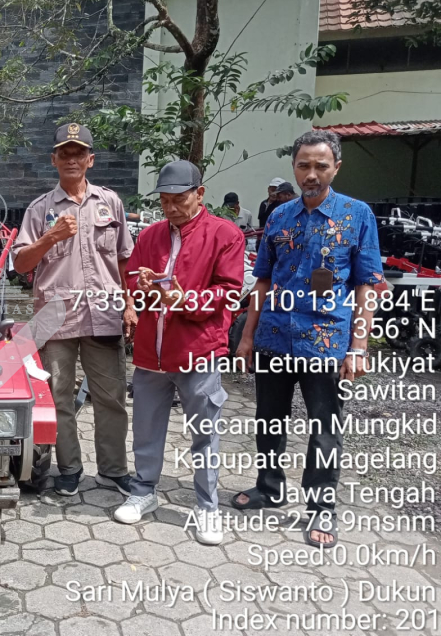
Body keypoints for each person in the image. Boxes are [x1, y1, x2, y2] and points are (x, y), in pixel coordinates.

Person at [232, 130, 383, 548]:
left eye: (320, 165)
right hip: (275, 337)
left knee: (325, 428)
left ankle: (320, 508)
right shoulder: (279, 216)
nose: (311, 174)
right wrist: (247, 337)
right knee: (269, 419)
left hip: (326, 342)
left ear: (336, 167)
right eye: (304, 165)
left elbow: (367, 285)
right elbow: (263, 280)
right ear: (294, 167)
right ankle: (269, 487)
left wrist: (358, 347)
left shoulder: (357, 215)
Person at [115, 160, 244, 545]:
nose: (171, 208)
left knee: (204, 432)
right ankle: (143, 491)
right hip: (151, 353)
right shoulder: (150, 235)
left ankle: (207, 506)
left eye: (179, 199)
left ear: (199, 194)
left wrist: (186, 299)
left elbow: (229, 292)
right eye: (165, 201)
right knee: (146, 426)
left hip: (197, 350)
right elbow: (133, 279)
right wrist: (141, 288)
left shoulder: (225, 234)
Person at [12, 123, 135, 497]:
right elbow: (20, 264)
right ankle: (69, 469)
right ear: (53, 160)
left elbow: (125, 258)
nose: (71, 159)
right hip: (56, 316)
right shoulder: (40, 209)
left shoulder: (110, 203)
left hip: (104, 311)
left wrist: (130, 304)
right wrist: (50, 237)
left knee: (111, 398)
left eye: (78, 153)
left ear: (90, 160)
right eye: (64, 153)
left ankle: (113, 470)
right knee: (58, 397)